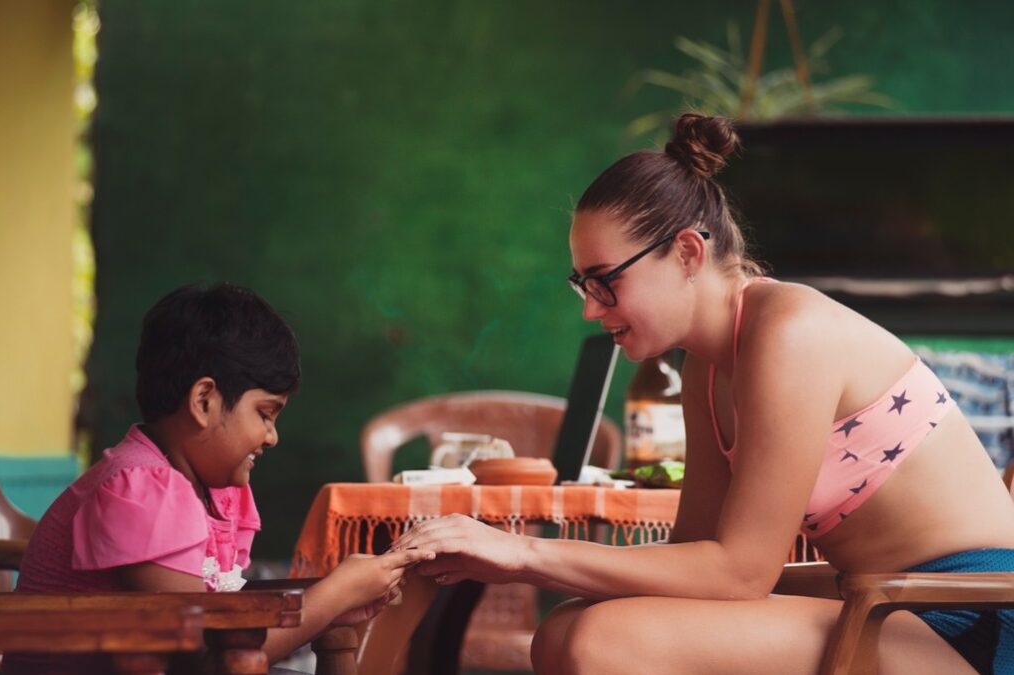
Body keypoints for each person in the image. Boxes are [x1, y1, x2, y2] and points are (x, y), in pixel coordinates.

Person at [394, 114, 1014, 674]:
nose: (589, 309)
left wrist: (521, 553)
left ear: (688, 252)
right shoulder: (710, 368)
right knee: (563, 630)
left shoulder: (790, 333)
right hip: (886, 601)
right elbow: (696, 560)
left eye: (605, 282)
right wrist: (509, 556)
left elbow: (739, 573)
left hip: (966, 619)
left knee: (603, 640)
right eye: (580, 285)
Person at [9, 283, 432, 673]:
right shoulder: (143, 490)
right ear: (204, 401)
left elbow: (224, 620)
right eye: (265, 414)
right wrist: (333, 596)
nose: (272, 437)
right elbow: (208, 657)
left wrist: (338, 595)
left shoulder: (203, 487)